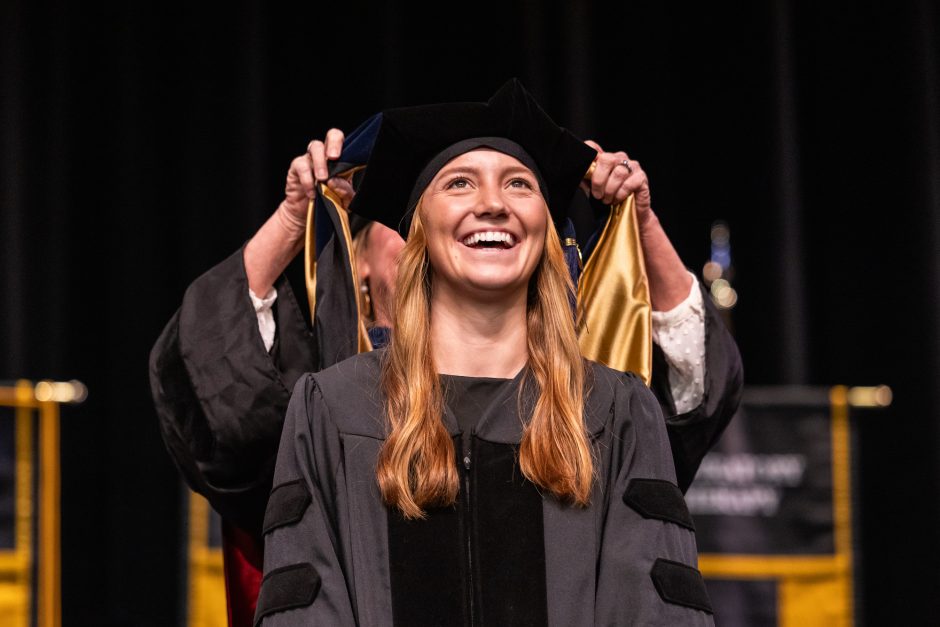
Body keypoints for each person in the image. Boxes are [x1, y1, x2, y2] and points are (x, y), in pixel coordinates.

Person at [150, 83, 741, 625]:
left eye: (519, 183)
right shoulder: (330, 405)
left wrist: (637, 218)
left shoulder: (611, 408)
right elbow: (216, 398)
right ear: (410, 234)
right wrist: (293, 216)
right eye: (457, 182)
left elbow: (655, 594)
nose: (492, 204)